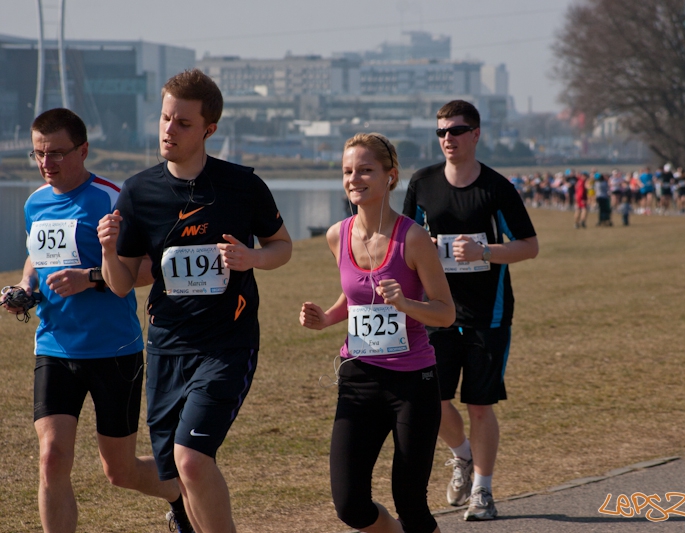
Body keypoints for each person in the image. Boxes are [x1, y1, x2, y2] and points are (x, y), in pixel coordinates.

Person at [98, 69, 292, 532]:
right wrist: (108, 250)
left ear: (209, 129)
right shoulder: (138, 191)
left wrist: (251, 258)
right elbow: (122, 284)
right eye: (165, 119)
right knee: (176, 472)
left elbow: (282, 246)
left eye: (183, 123)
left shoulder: (242, 185)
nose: (169, 130)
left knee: (190, 460)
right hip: (167, 346)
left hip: (228, 344)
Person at [1, 108, 192, 532]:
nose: (46, 163)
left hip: (114, 350)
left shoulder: (113, 199)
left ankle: (177, 493)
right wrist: (26, 289)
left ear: (83, 150)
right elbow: (37, 255)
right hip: (54, 345)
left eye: (56, 153)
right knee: (51, 458)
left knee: (119, 471)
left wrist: (90, 278)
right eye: (38, 154)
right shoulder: (35, 203)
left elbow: (147, 268)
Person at [300, 133, 454, 533]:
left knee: (412, 505)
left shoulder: (414, 239)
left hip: (412, 383)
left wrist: (405, 305)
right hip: (359, 377)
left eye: (366, 170)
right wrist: (326, 318)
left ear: (390, 177)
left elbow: (446, 313)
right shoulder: (338, 235)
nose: (355, 179)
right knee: (349, 504)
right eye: (348, 171)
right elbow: (355, 297)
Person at [403, 100, 539, 521]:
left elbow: (529, 246)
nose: (448, 139)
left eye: (457, 131)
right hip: (437, 310)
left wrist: (485, 251)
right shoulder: (423, 183)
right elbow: (406, 240)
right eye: (441, 132)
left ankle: (483, 490)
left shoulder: (497, 188)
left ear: (476, 135)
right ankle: (461, 456)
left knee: (480, 405)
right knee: (433, 400)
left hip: (488, 314)